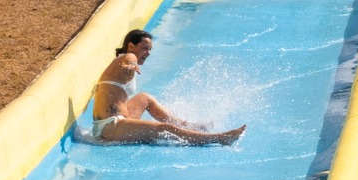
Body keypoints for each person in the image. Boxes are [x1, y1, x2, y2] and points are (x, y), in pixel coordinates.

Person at [90, 30, 246, 145]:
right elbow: (128, 62)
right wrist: (132, 66)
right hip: (110, 127)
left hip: (116, 121)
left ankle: (188, 126)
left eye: (150, 49)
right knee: (164, 128)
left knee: (145, 98)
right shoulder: (128, 57)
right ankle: (220, 138)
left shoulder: (120, 59)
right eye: (145, 48)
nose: (148, 53)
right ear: (131, 46)